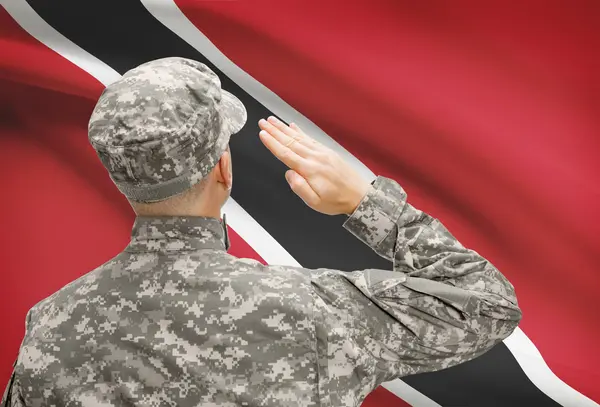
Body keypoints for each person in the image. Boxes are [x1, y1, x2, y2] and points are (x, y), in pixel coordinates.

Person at [2, 57, 522, 407]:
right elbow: (488, 304)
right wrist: (369, 204)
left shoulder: (50, 325)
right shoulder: (317, 311)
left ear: (120, 176)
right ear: (223, 168)